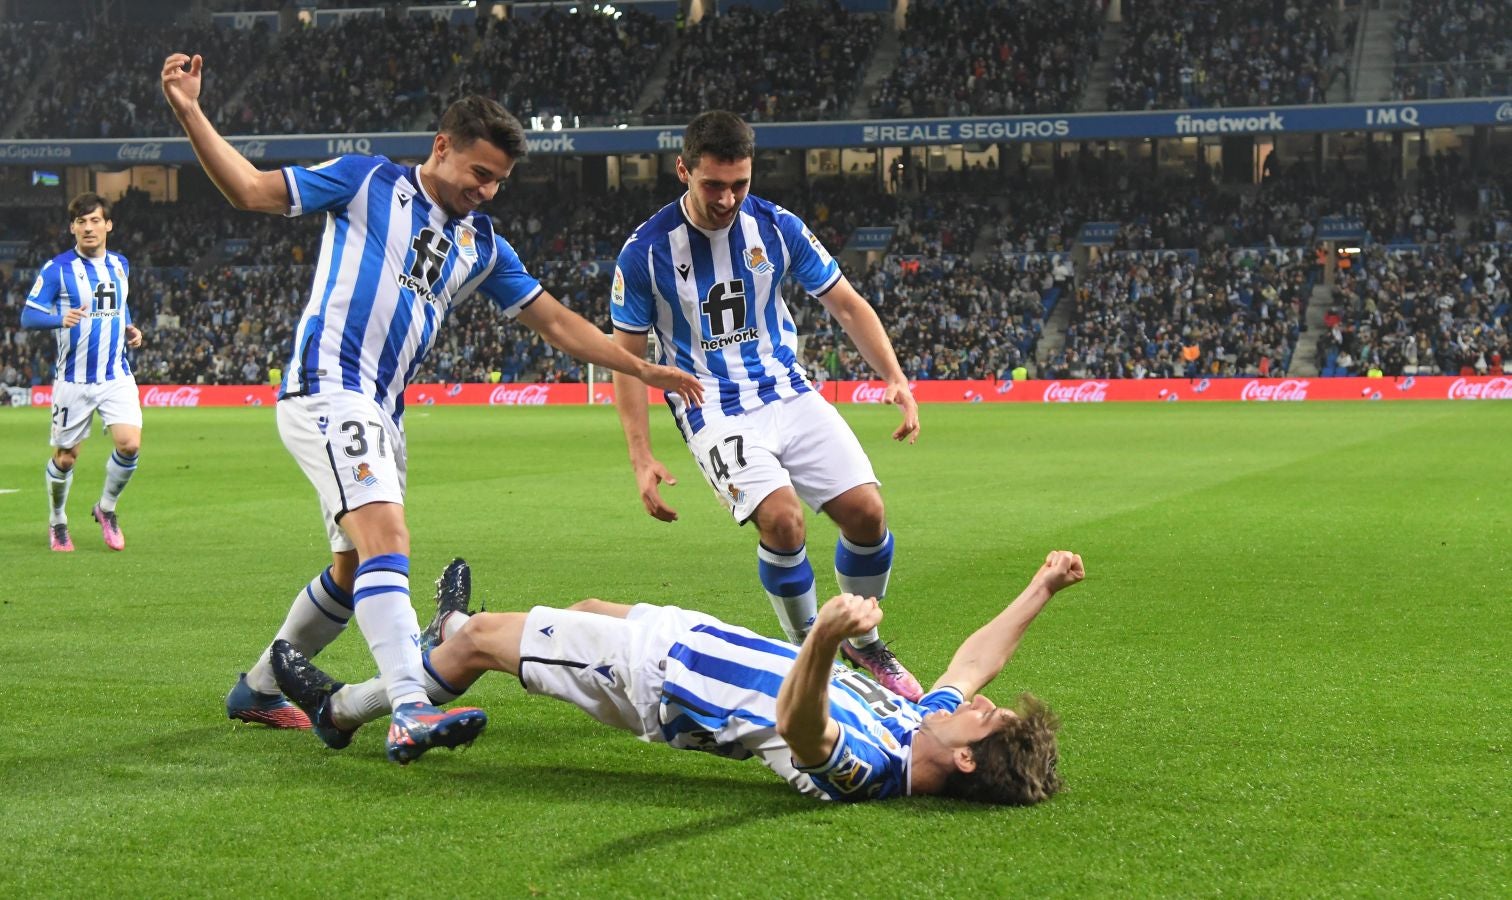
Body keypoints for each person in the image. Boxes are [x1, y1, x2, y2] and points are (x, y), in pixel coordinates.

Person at [160, 52, 703, 763]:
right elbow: (252, 191)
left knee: (356, 569)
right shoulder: (366, 181)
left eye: (499, 181)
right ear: (441, 147)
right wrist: (190, 110)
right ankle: (408, 707)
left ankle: (260, 688)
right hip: (329, 389)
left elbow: (558, 323)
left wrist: (638, 363)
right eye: (479, 173)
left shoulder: (482, 245)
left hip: (384, 412)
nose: (487, 190)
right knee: (388, 537)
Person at [273, 550, 1082, 803]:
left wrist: (828, 639)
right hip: (690, 638)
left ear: (968, 759)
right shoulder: (924, 724)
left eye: (987, 717)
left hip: (654, 681)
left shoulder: (874, 769)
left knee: (482, 639)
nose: (974, 703)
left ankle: (346, 706)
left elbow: (802, 732)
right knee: (580, 601)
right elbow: (976, 660)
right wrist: (1040, 589)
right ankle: (421, 650)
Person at [610, 111, 926, 699]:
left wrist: (895, 375)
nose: (728, 198)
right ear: (683, 170)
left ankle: (861, 640)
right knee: (783, 521)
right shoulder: (645, 252)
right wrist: (640, 455)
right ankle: (813, 650)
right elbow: (626, 360)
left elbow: (848, 304)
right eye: (713, 185)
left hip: (788, 390)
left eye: (741, 184)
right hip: (712, 406)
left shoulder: (777, 228)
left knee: (868, 514)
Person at [21, 193, 144, 553]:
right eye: (81, 222)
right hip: (73, 380)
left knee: (130, 444)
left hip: (115, 375)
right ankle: (57, 519)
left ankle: (106, 508)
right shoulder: (57, 268)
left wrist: (130, 329)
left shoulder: (120, 264)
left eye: (94, 221)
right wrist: (60, 318)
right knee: (66, 458)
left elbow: (120, 306)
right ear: (72, 228)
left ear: (108, 225)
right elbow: (28, 315)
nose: (88, 228)